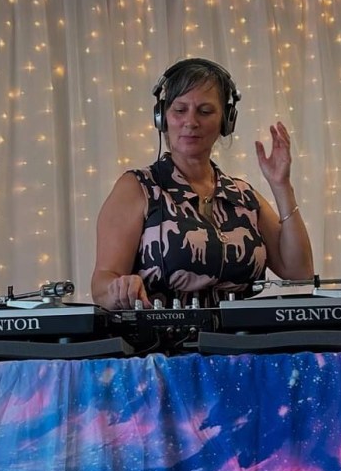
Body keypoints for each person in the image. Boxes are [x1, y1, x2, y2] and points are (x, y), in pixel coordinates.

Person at [91, 57, 314, 311]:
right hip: (165, 336)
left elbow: (300, 273)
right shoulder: (137, 187)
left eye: (205, 111)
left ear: (226, 121)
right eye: (180, 110)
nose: (191, 122)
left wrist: (281, 185)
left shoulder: (243, 195)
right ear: (162, 117)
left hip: (242, 335)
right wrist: (120, 289)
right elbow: (102, 283)